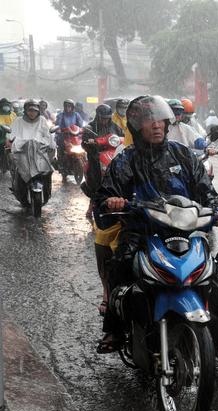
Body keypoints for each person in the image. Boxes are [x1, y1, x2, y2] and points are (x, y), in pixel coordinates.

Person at [92, 95, 218, 362]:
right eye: (148, 121)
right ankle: (113, 330)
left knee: (215, 283)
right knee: (120, 267)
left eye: (160, 120)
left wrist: (215, 212)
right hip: (142, 232)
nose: (156, 125)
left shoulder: (183, 155)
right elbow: (102, 199)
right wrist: (112, 201)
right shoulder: (126, 161)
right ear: (136, 127)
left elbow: (206, 191)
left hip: (186, 232)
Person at [81, 103, 124, 315]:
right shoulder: (90, 127)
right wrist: (91, 144)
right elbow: (84, 143)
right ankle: (107, 292)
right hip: (99, 164)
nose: (107, 120)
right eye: (104, 118)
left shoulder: (118, 129)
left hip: (116, 165)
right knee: (103, 241)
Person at [9, 99, 56, 207]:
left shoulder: (42, 120)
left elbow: (47, 136)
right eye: (30, 110)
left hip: (39, 153)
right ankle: (20, 193)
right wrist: (10, 141)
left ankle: (47, 191)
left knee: (47, 172)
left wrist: (51, 144)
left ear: (38, 111)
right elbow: (11, 135)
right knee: (20, 173)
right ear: (25, 110)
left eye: (34, 111)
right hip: (22, 153)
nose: (32, 113)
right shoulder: (18, 121)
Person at [55, 99, 84, 168]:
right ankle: (61, 163)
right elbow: (57, 124)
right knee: (61, 146)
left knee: (84, 146)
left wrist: (82, 129)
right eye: (66, 106)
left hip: (75, 136)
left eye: (69, 106)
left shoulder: (76, 115)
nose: (67, 108)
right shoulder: (60, 115)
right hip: (64, 136)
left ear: (72, 107)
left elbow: (81, 125)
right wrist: (59, 129)